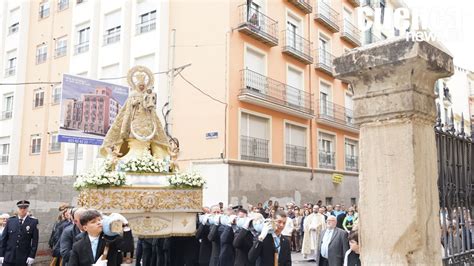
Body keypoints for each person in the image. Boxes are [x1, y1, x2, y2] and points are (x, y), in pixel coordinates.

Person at [68, 210, 133, 266]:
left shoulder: (111, 239)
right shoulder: (78, 246)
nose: (99, 223)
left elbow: (128, 247)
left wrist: (126, 225)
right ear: (85, 228)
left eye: (99, 220)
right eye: (93, 222)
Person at [0, 200, 39, 266]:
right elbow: (3, 239)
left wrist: (31, 256)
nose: (22, 210)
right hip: (9, 256)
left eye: (25, 208)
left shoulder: (33, 222)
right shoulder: (10, 221)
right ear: (18, 209)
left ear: (27, 209)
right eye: (20, 208)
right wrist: (1, 254)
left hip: (24, 258)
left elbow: (35, 242)